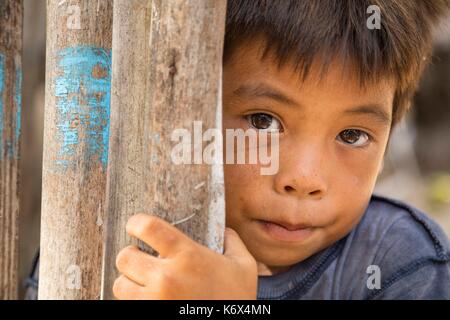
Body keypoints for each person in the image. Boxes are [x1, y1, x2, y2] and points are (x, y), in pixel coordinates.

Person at [27, 0, 450, 299]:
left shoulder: (398, 264)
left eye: (352, 135)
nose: (304, 179)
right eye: (263, 122)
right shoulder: (111, 250)